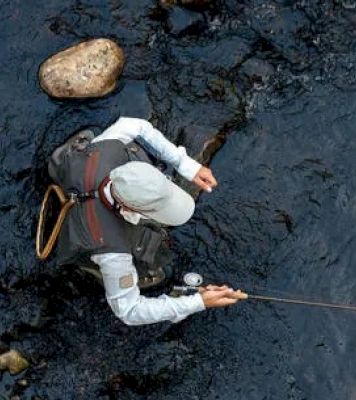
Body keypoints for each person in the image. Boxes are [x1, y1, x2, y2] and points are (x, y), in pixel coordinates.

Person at [47, 117, 241, 325]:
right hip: (89, 238)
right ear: (130, 208)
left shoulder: (107, 149)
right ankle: (92, 269)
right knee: (149, 265)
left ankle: (65, 157)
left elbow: (135, 125)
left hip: (80, 172)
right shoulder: (112, 253)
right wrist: (197, 302)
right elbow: (129, 311)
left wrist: (186, 165)